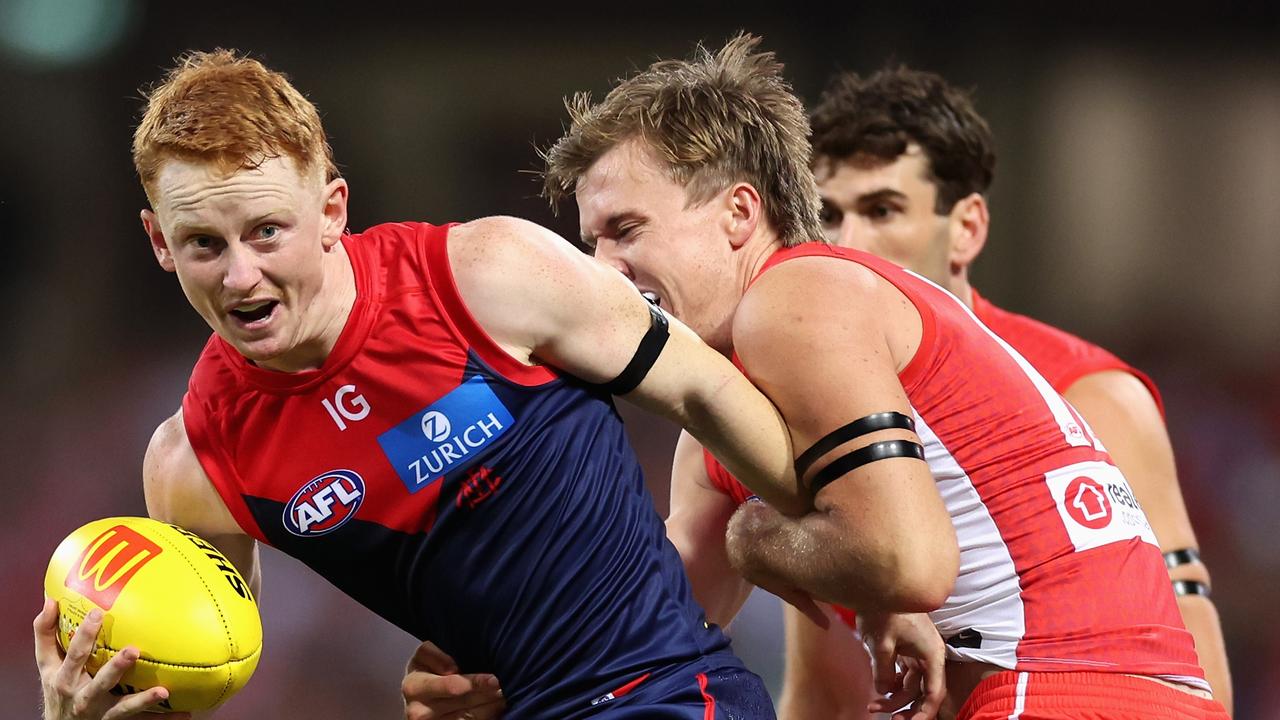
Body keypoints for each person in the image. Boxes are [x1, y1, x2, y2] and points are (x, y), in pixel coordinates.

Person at [405, 33, 1229, 720]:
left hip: (1062, 690)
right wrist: (494, 670)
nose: (602, 272)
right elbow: (651, 623)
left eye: (626, 230)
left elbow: (908, 562)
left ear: (738, 212)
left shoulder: (797, 297)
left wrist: (754, 536)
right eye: (591, 244)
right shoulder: (721, 395)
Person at [33, 48, 809, 720]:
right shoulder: (195, 464)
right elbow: (205, 680)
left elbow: (713, 393)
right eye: (203, 243)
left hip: (666, 695)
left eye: (267, 231)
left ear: (332, 208)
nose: (242, 275)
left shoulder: (490, 275)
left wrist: (875, 580)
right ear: (158, 241)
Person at [764, 64, 1234, 719]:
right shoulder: (806, 399)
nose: (847, 246)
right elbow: (821, 681)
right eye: (829, 216)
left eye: (882, 210)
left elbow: (1183, 654)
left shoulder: (1085, 391)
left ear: (967, 229)